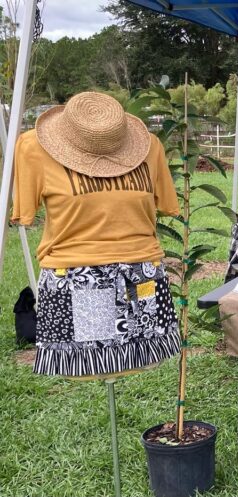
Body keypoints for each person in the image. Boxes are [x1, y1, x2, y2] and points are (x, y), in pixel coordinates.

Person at [12, 91, 181, 377]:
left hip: (141, 275)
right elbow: (25, 213)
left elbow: (164, 204)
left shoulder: (150, 147)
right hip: (78, 280)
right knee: (97, 367)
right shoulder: (32, 148)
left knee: (137, 361)